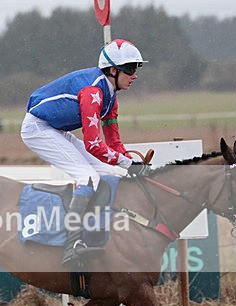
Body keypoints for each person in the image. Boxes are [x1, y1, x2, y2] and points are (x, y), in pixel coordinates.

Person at [21, 39, 149, 267]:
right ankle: (72, 246)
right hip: (38, 128)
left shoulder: (111, 97)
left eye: (136, 68)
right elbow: (93, 145)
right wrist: (127, 164)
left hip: (56, 129)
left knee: (105, 172)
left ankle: (96, 233)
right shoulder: (93, 93)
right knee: (88, 177)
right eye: (130, 69)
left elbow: (114, 142)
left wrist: (129, 162)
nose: (135, 75)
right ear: (112, 70)